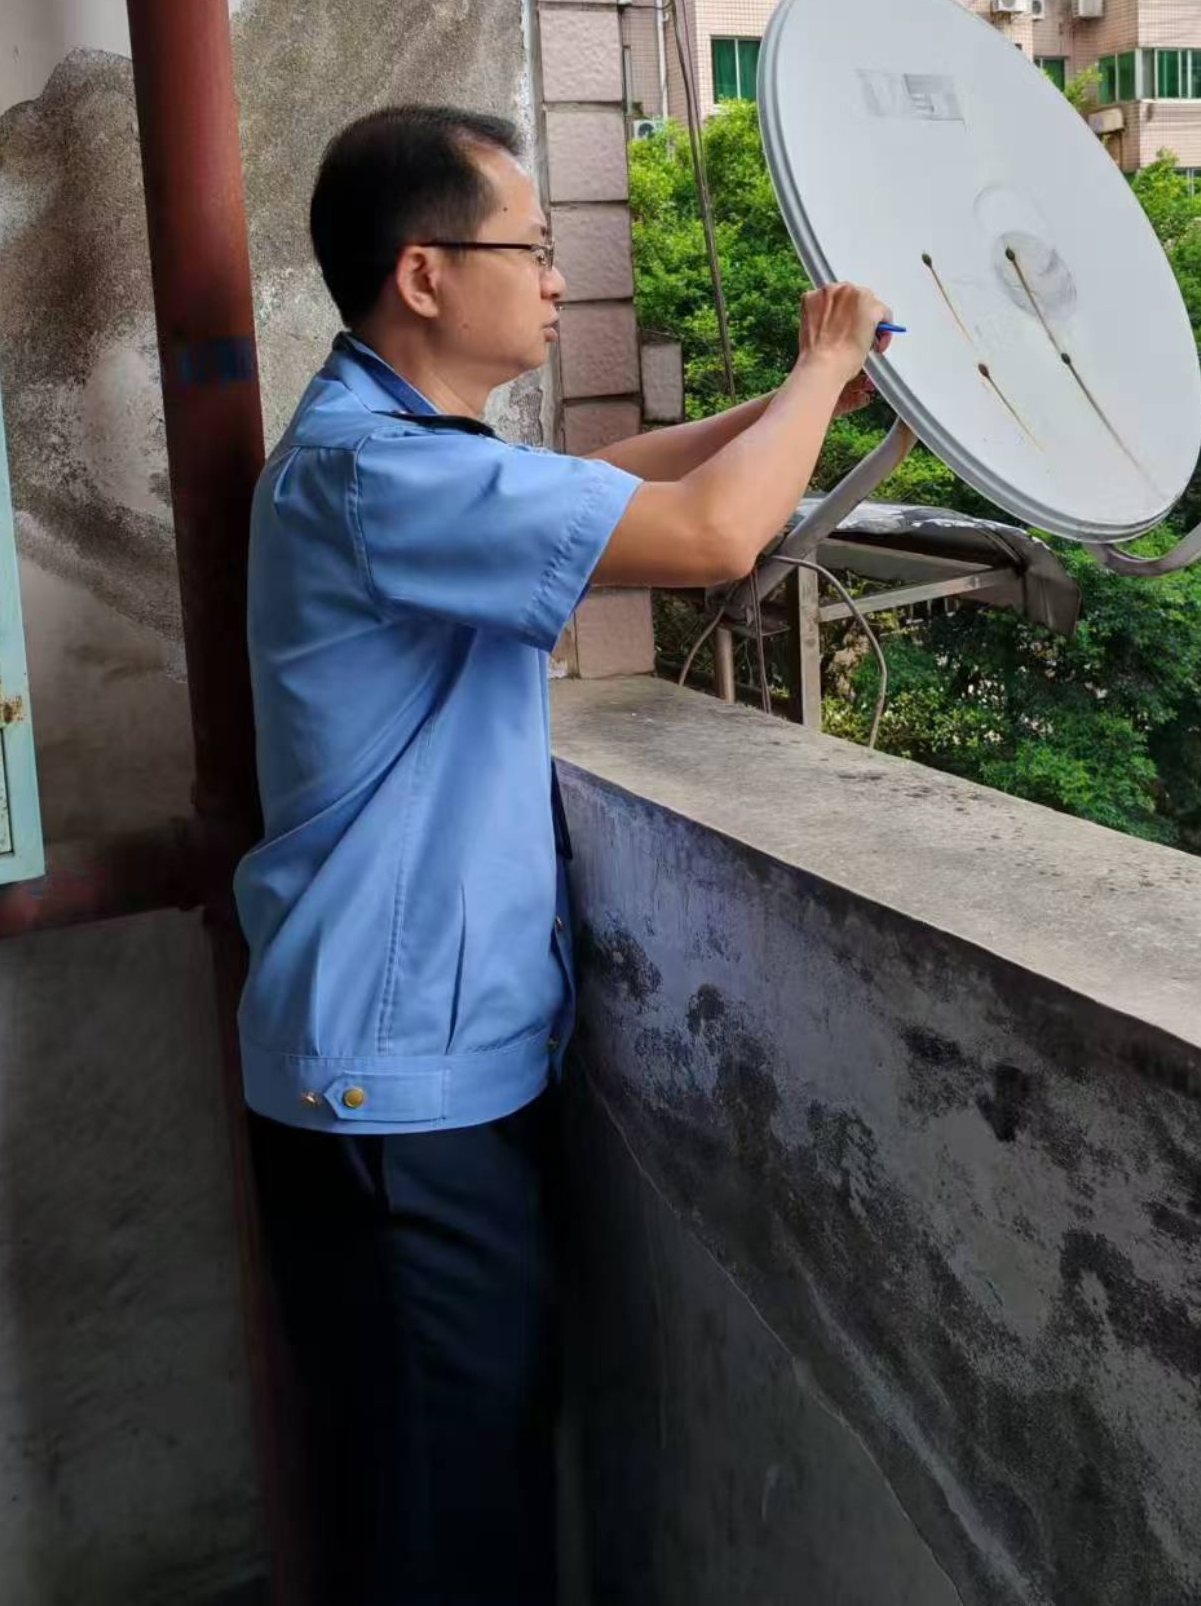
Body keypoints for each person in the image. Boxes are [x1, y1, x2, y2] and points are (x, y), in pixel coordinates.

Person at [235, 104, 889, 1603]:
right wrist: (818, 368)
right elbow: (710, 538)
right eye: (528, 248)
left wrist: (795, 402)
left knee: (453, 1488)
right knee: (448, 1529)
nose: (554, 277)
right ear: (422, 274)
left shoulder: (392, 451)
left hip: (406, 1071)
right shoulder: (378, 476)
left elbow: (616, 478)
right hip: (393, 1088)